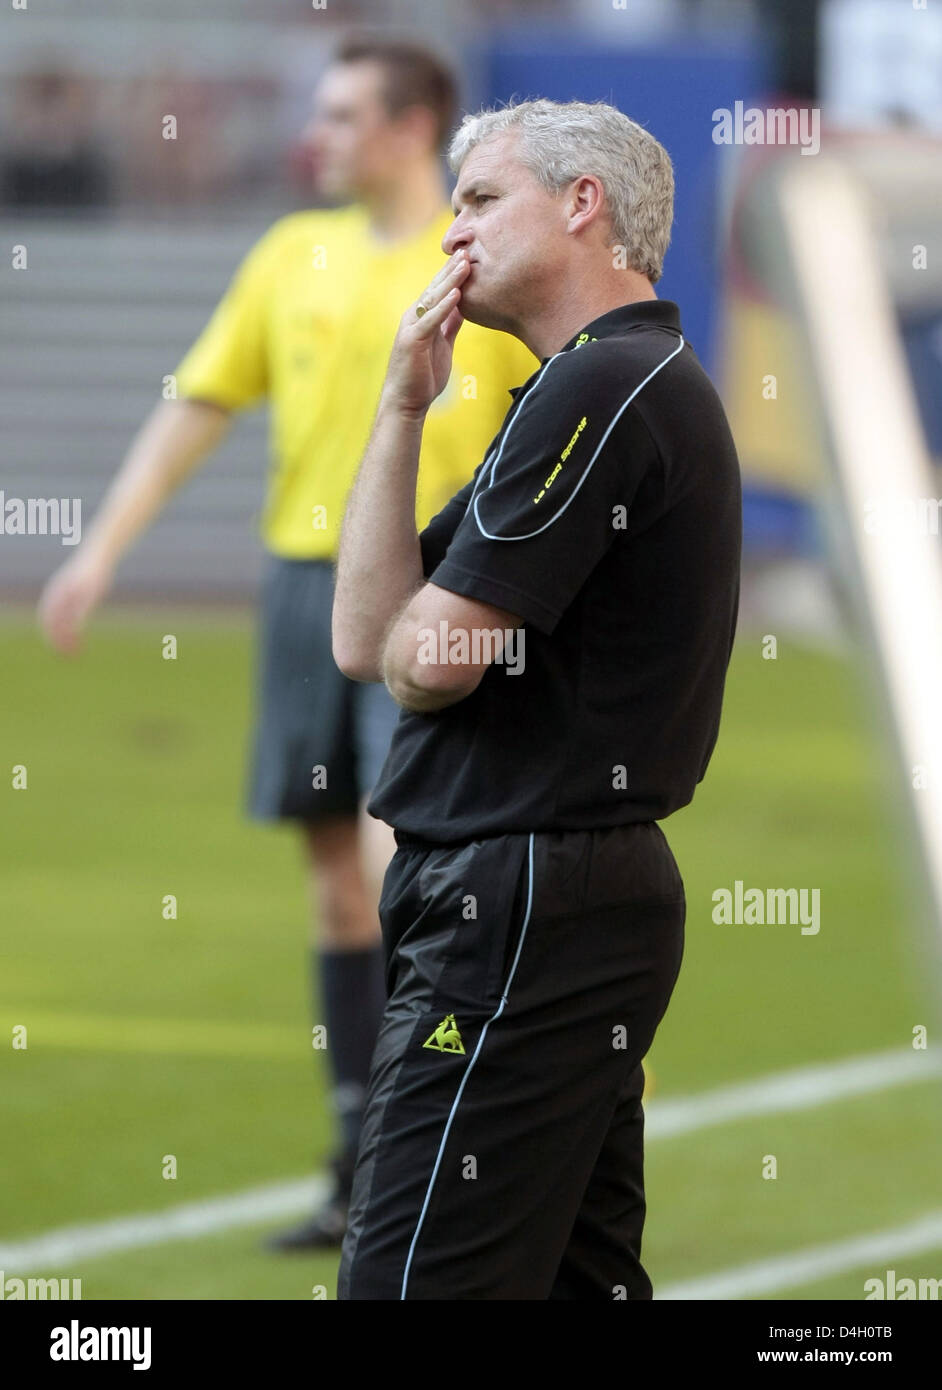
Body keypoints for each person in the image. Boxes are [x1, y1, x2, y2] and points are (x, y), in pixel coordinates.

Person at [36, 39, 536, 1251]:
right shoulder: (290, 254)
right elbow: (198, 398)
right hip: (300, 595)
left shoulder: (479, 261)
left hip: (427, 598)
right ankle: (356, 1159)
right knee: (334, 885)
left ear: (415, 126)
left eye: (345, 111)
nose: (319, 133)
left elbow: (567, 412)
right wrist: (101, 548)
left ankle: (476, 1141)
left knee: (396, 871)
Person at [331, 98, 742, 1299]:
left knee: (412, 1285)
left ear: (582, 205)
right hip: (545, 898)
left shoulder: (606, 386)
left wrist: (421, 636)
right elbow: (370, 637)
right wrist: (402, 405)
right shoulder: (584, 386)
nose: (449, 234)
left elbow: (429, 659)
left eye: (479, 200)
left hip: (520, 902)